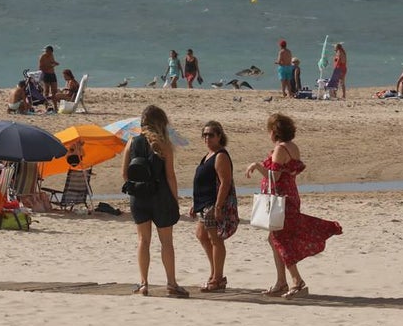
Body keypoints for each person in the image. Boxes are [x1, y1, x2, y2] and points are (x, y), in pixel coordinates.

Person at [245, 113, 342, 298]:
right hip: (290, 196)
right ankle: (281, 282)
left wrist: (257, 166)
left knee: (281, 240)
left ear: (274, 131)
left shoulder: (280, 149)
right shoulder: (292, 147)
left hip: (282, 199)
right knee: (274, 238)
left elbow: (275, 176)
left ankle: (296, 281)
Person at [121, 104, 187, 298]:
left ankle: (143, 283)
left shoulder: (132, 142)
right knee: (166, 242)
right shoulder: (164, 145)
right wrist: (175, 200)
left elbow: (124, 173)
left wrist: (137, 188)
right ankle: (171, 283)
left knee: (143, 240)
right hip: (161, 196)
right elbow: (170, 176)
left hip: (139, 197)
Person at [189, 120, 237, 292]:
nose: (207, 137)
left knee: (215, 240)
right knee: (201, 235)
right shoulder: (208, 155)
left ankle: (217, 278)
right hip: (203, 203)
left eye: (211, 134)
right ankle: (215, 273)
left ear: (219, 136)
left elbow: (225, 182)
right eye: (205, 134)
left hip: (213, 204)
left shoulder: (220, 155)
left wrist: (218, 206)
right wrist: (195, 205)